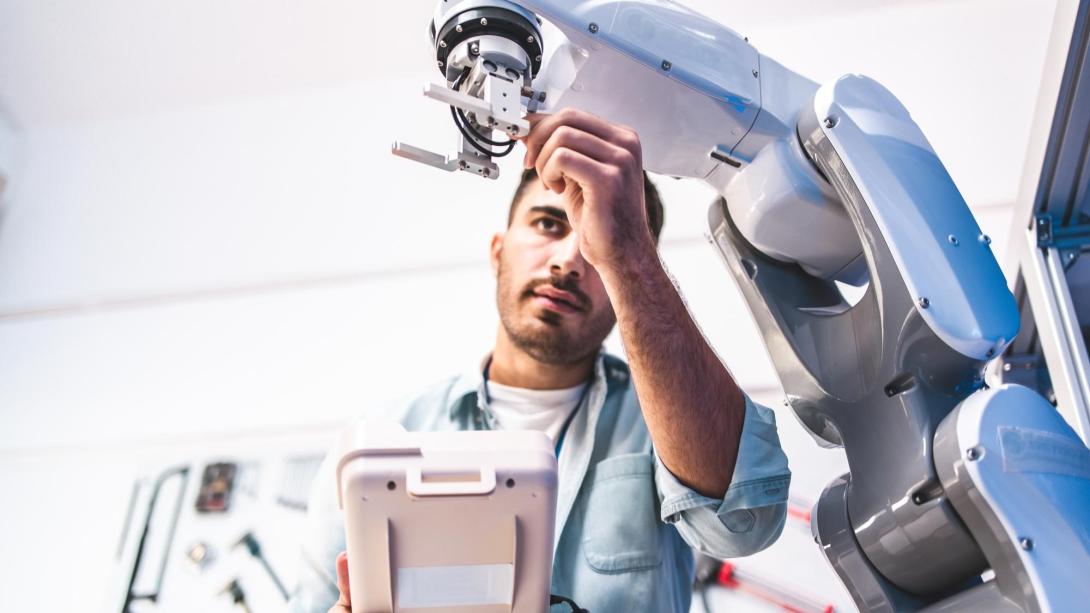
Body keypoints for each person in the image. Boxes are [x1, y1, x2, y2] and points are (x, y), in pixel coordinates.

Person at [289, 109, 790, 613]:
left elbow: (745, 522)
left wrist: (628, 254)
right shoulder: (382, 439)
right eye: (550, 224)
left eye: (599, 239)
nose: (571, 259)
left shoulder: (664, 429)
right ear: (497, 252)